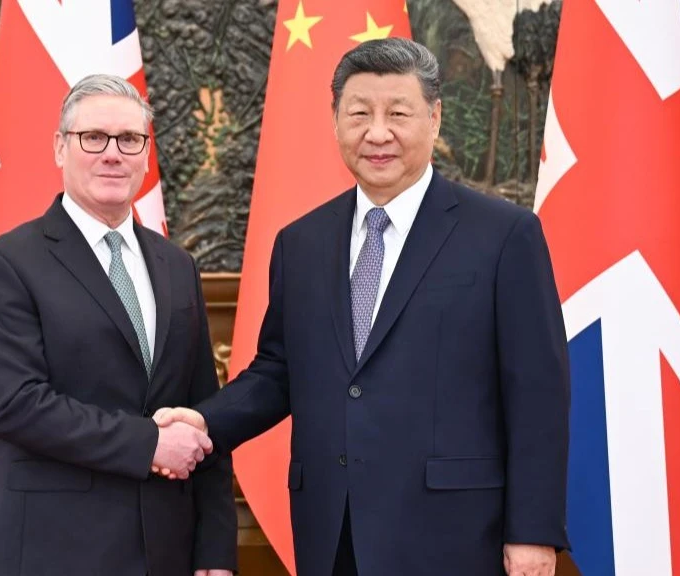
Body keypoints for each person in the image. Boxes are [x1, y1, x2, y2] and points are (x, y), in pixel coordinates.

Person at [154, 38, 570, 576]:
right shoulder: (300, 242)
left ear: (434, 118)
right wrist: (204, 423)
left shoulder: (503, 236)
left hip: (459, 533)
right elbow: (280, 369)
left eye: (398, 113)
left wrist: (532, 532)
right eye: (359, 114)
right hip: (335, 530)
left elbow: (537, 390)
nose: (378, 133)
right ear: (335, 121)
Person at [0, 74, 236, 576]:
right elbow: (15, 405)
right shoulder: (7, 263)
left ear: (146, 153)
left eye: (130, 139)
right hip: (53, 550)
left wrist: (216, 551)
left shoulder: (178, 267)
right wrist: (149, 443)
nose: (113, 153)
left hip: (167, 550)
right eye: (94, 137)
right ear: (60, 148)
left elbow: (203, 412)